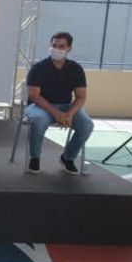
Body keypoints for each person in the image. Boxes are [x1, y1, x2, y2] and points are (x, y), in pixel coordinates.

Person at [25, 31, 94, 175]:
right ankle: (34, 157)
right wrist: (56, 113)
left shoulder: (76, 69)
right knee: (38, 120)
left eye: (61, 46)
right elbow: (34, 96)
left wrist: (69, 114)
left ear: (69, 48)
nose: (56, 49)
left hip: (65, 107)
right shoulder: (38, 68)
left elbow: (81, 97)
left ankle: (68, 157)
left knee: (87, 124)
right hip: (39, 106)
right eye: (54, 45)